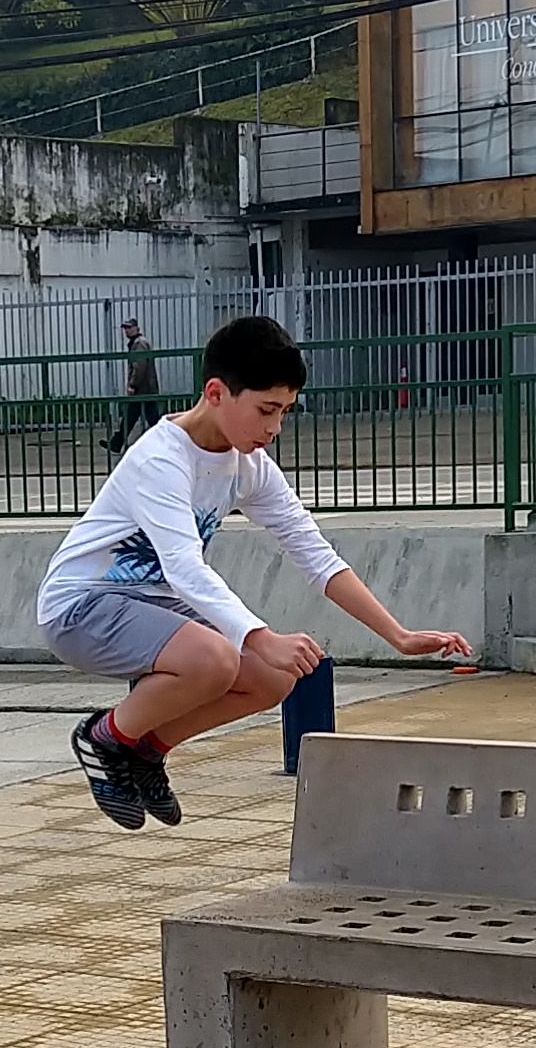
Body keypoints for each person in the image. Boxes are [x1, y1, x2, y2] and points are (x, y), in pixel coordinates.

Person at [37, 311, 470, 830]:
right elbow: (184, 568)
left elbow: (314, 553)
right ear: (216, 393)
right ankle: (104, 738)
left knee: (273, 678)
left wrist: (398, 635)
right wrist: (261, 636)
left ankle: (147, 750)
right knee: (217, 659)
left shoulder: (249, 465)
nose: (274, 428)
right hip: (80, 606)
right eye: (266, 410)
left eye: (285, 412)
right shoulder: (161, 459)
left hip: (151, 603)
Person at [105, 316, 163, 461]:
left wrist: (133, 385)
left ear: (137, 328)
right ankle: (117, 442)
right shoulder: (137, 343)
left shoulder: (139, 344)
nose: (127, 331)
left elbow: (139, 366)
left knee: (149, 419)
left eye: (129, 328)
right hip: (145, 389)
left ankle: (165, 441)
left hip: (143, 390)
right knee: (132, 417)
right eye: (125, 328)